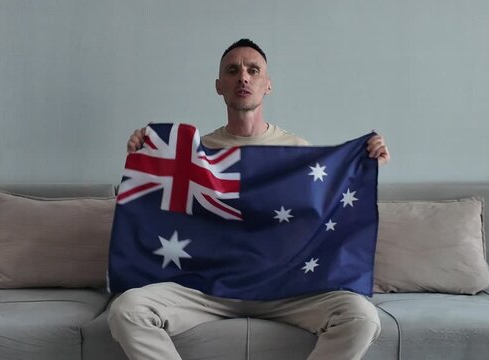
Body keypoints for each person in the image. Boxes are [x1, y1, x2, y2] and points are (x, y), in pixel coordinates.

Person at [109, 38, 390, 360]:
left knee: (361, 317)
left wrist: (365, 165)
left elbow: (324, 214)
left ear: (267, 85)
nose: (243, 77)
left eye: (253, 70)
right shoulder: (194, 153)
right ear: (219, 85)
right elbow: (157, 210)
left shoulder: (298, 151)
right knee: (127, 310)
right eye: (232, 70)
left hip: (286, 287)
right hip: (207, 287)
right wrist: (147, 150)